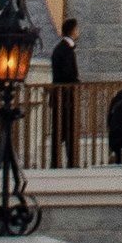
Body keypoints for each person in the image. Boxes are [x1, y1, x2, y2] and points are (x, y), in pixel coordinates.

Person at [48, 15, 81, 166]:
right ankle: (70, 161)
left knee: (60, 130)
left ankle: (57, 161)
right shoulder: (65, 50)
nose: (78, 32)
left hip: (60, 97)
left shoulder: (59, 49)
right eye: (77, 29)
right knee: (67, 129)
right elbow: (68, 74)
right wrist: (77, 83)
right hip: (66, 98)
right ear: (73, 31)